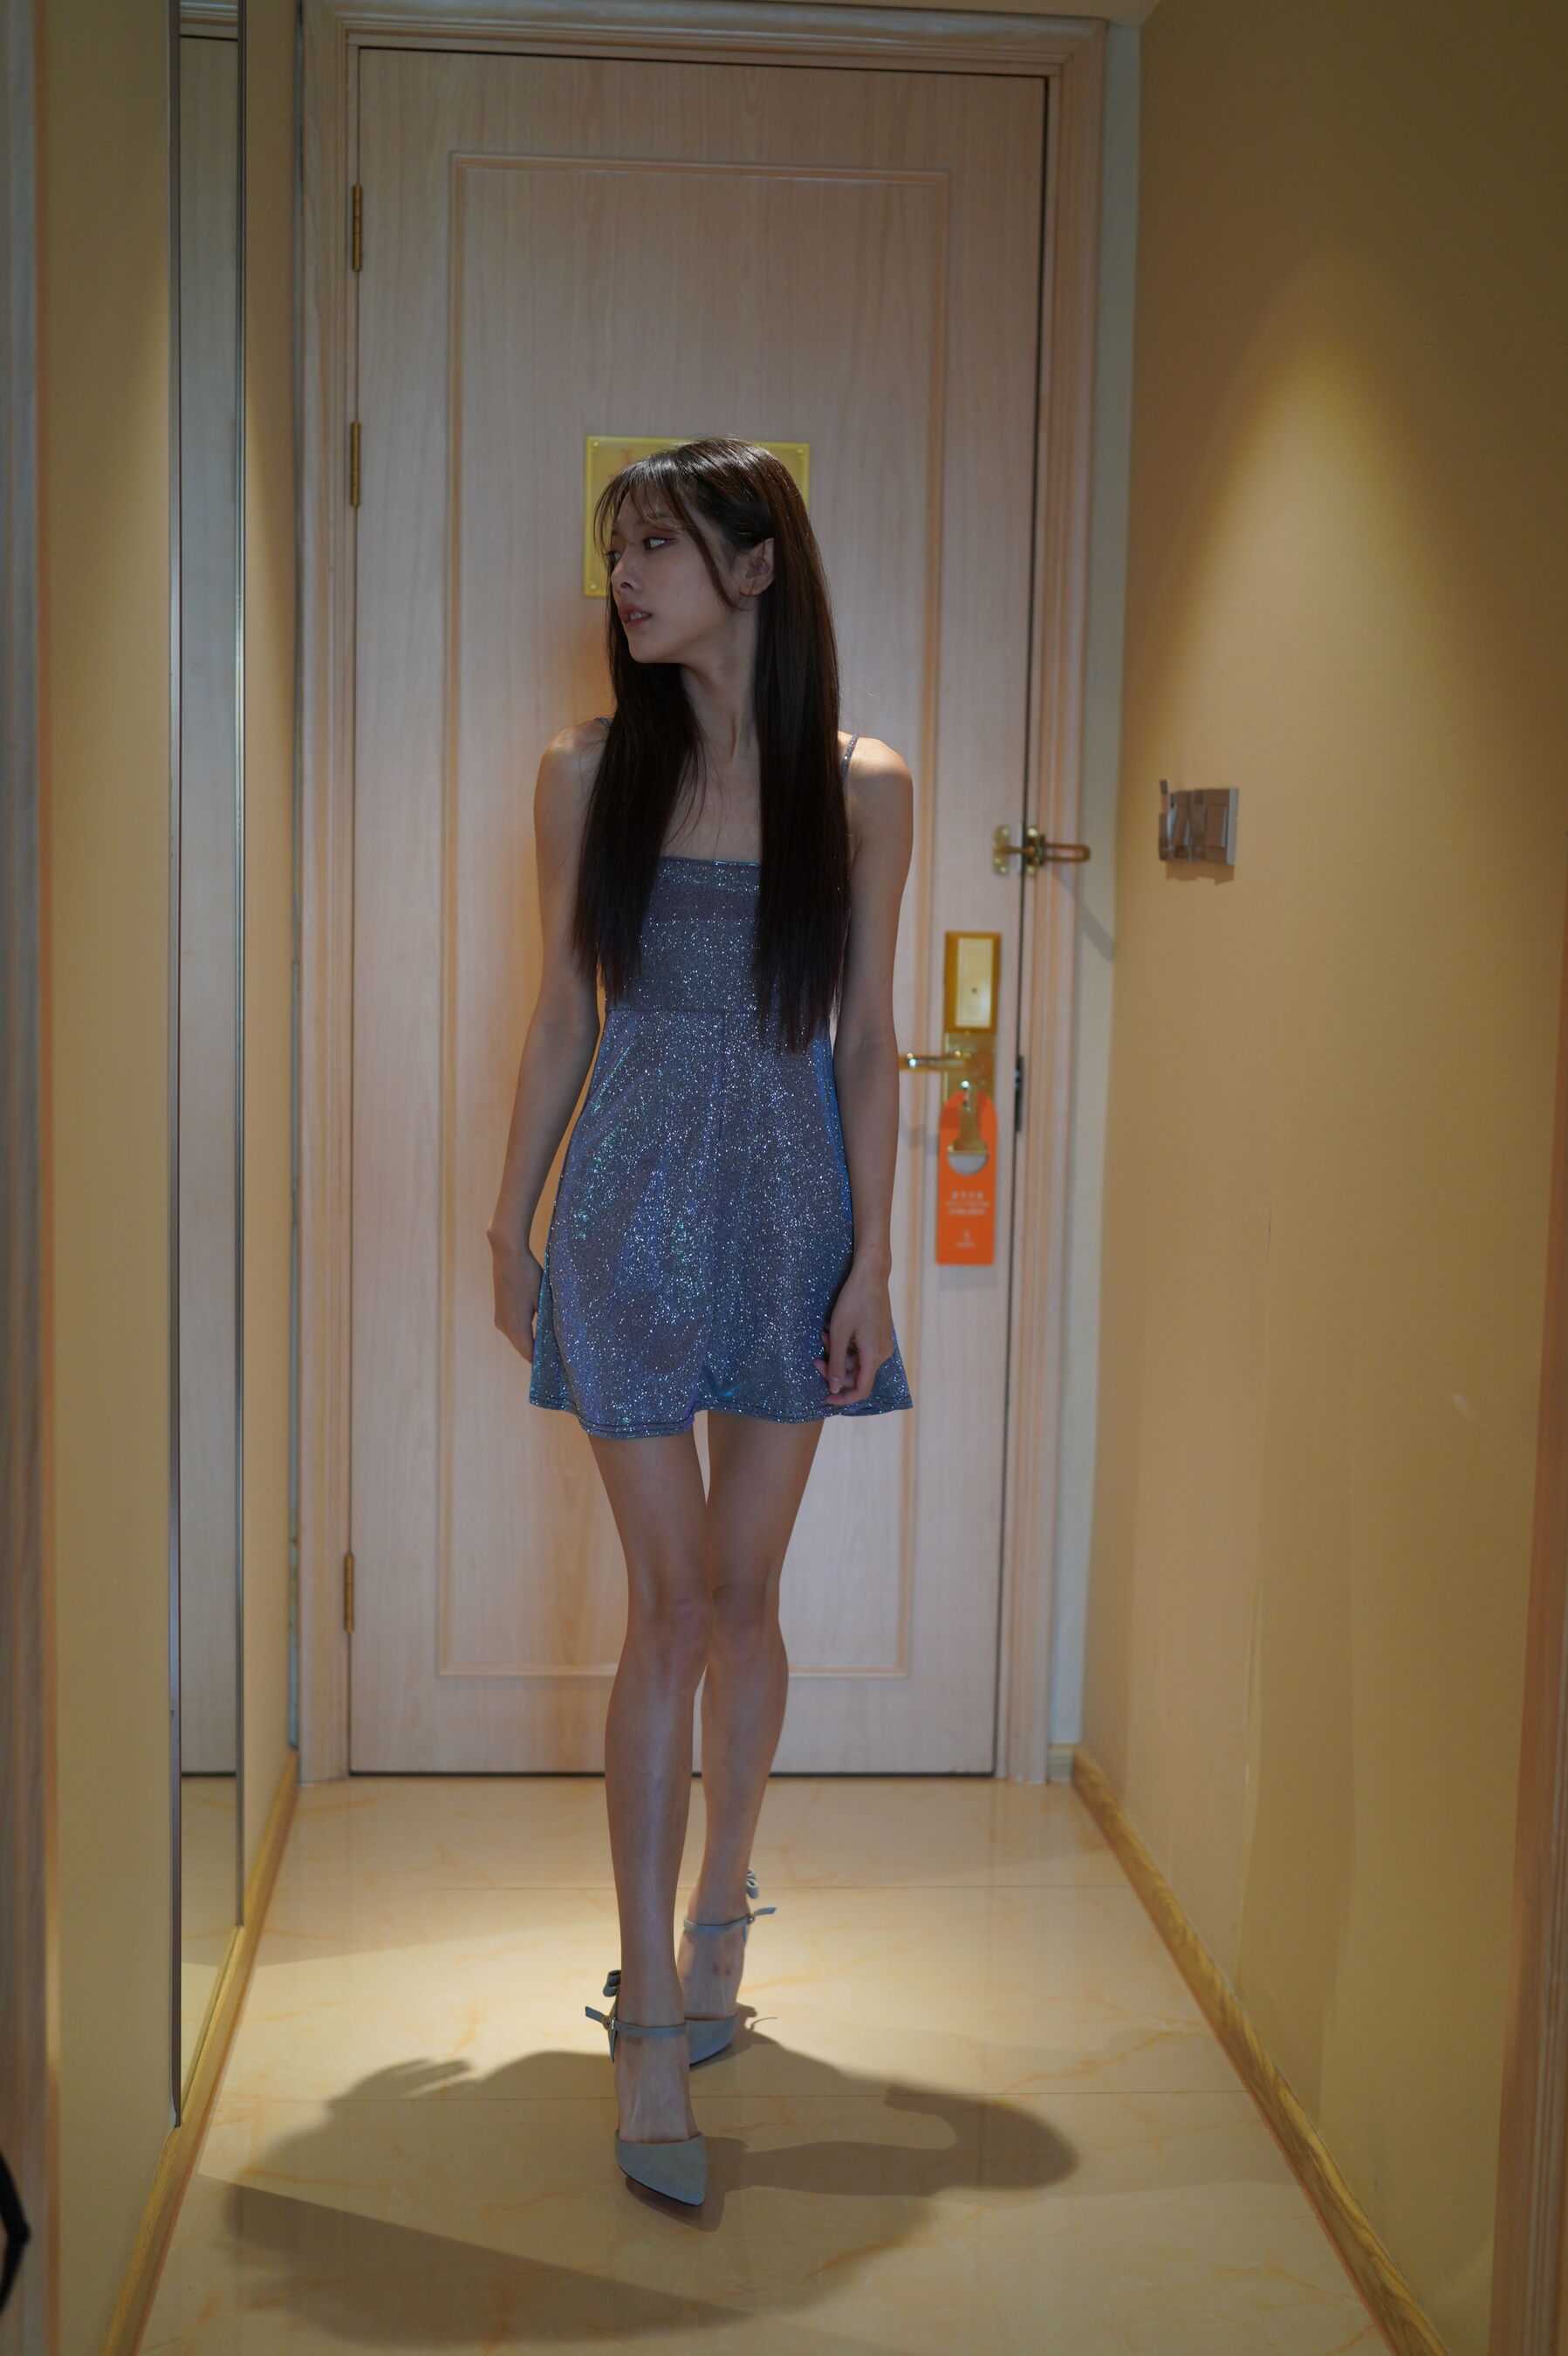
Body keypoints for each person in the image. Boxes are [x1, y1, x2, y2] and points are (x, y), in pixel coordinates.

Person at [487, 436, 914, 2205]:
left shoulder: (861, 787)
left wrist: (872, 1263)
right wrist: (507, 1217)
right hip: (628, 1215)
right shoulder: (586, 773)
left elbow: (870, 1041)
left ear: (754, 567)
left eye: (657, 546)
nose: (625, 579)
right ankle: (647, 2009)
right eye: (619, 550)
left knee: (745, 1599)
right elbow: (562, 1015)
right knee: (666, 1610)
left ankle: (722, 1904)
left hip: (793, 1220)